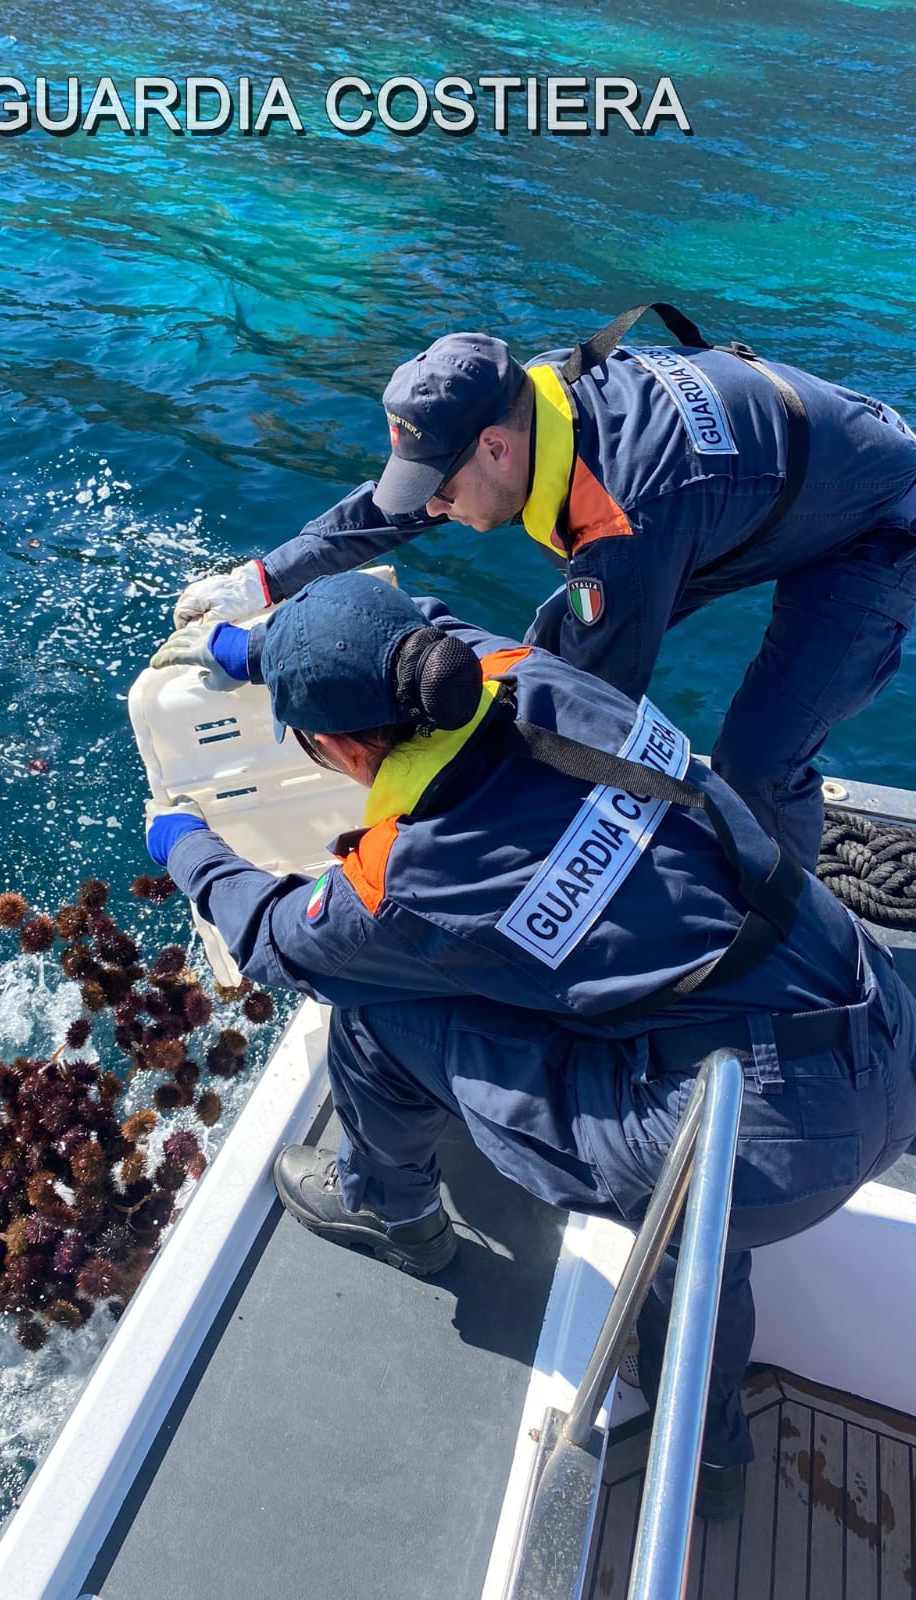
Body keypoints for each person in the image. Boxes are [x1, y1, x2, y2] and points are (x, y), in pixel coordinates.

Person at [145, 570, 916, 1521]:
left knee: (379, 1008)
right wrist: (255, 650)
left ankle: (387, 1209)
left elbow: (275, 937)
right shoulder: (529, 671)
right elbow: (418, 622)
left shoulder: (410, 874)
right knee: (697, 1139)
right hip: (873, 1018)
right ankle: (709, 1451)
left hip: (766, 1147)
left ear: (338, 747)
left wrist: (183, 843)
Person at [171, 304, 916, 870]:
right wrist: (263, 582)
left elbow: (586, 714)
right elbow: (394, 506)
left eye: (440, 489)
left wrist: (442, 834)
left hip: (878, 523)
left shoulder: (620, 525)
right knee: (545, 658)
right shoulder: (533, 394)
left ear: (496, 446)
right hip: (763, 486)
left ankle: (783, 930)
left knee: (757, 760)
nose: (431, 508)